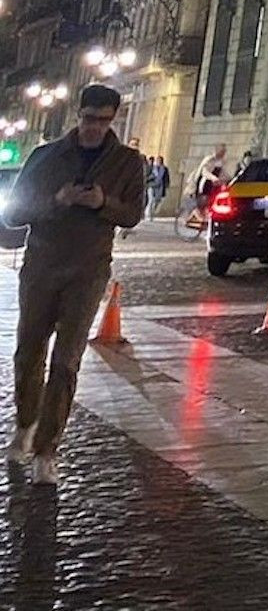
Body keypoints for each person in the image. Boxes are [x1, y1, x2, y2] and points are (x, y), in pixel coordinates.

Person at [5, 85, 147, 487]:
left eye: (103, 121)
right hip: (41, 267)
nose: (94, 128)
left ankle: (47, 450)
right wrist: (58, 200)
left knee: (66, 361)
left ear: (113, 120)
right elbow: (15, 215)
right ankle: (25, 423)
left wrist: (103, 203)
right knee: (28, 351)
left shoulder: (126, 161)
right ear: (77, 115)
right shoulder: (46, 156)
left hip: (88, 271)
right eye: (88, 119)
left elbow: (134, 214)